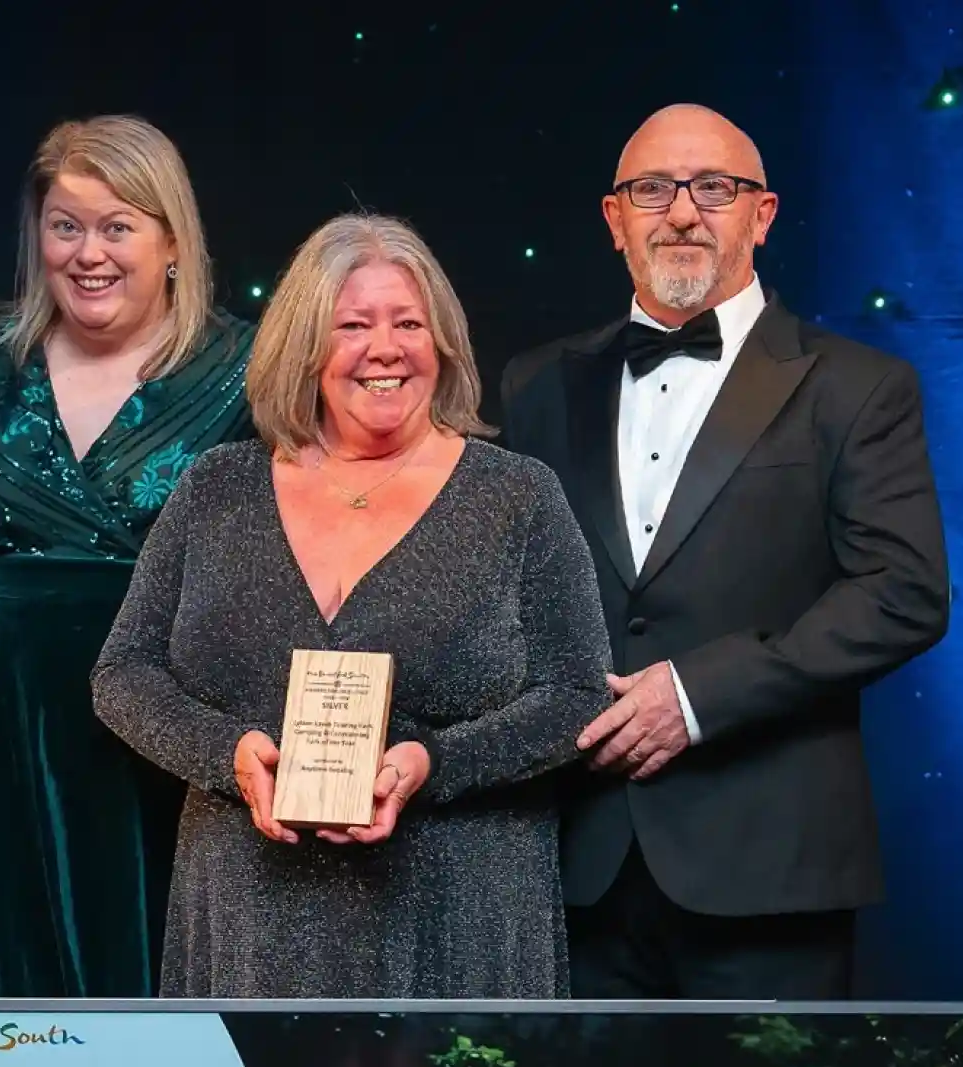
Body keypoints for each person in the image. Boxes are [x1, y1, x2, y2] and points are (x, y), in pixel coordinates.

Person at [91, 215, 612, 998]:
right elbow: (122, 674)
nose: (386, 349)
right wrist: (227, 755)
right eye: (353, 325)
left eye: (410, 323)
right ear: (305, 346)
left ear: (442, 343)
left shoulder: (516, 496)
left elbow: (575, 694)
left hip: (458, 921)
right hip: (248, 919)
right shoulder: (217, 488)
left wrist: (432, 765)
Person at [500, 104, 950, 1000]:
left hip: (770, 864)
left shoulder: (858, 387)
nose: (681, 211)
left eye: (714, 187)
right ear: (613, 218)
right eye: (652, 189)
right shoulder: (535, 384)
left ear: (763, 214)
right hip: (573, 865)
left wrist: (698, 695)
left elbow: (903, 591)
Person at [0, 116, 256, 999]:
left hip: (162, 726)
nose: (89, 252)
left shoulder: (247, 372)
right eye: (65, 225)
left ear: (174, 242)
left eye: (118, 226)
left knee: (151, 968)